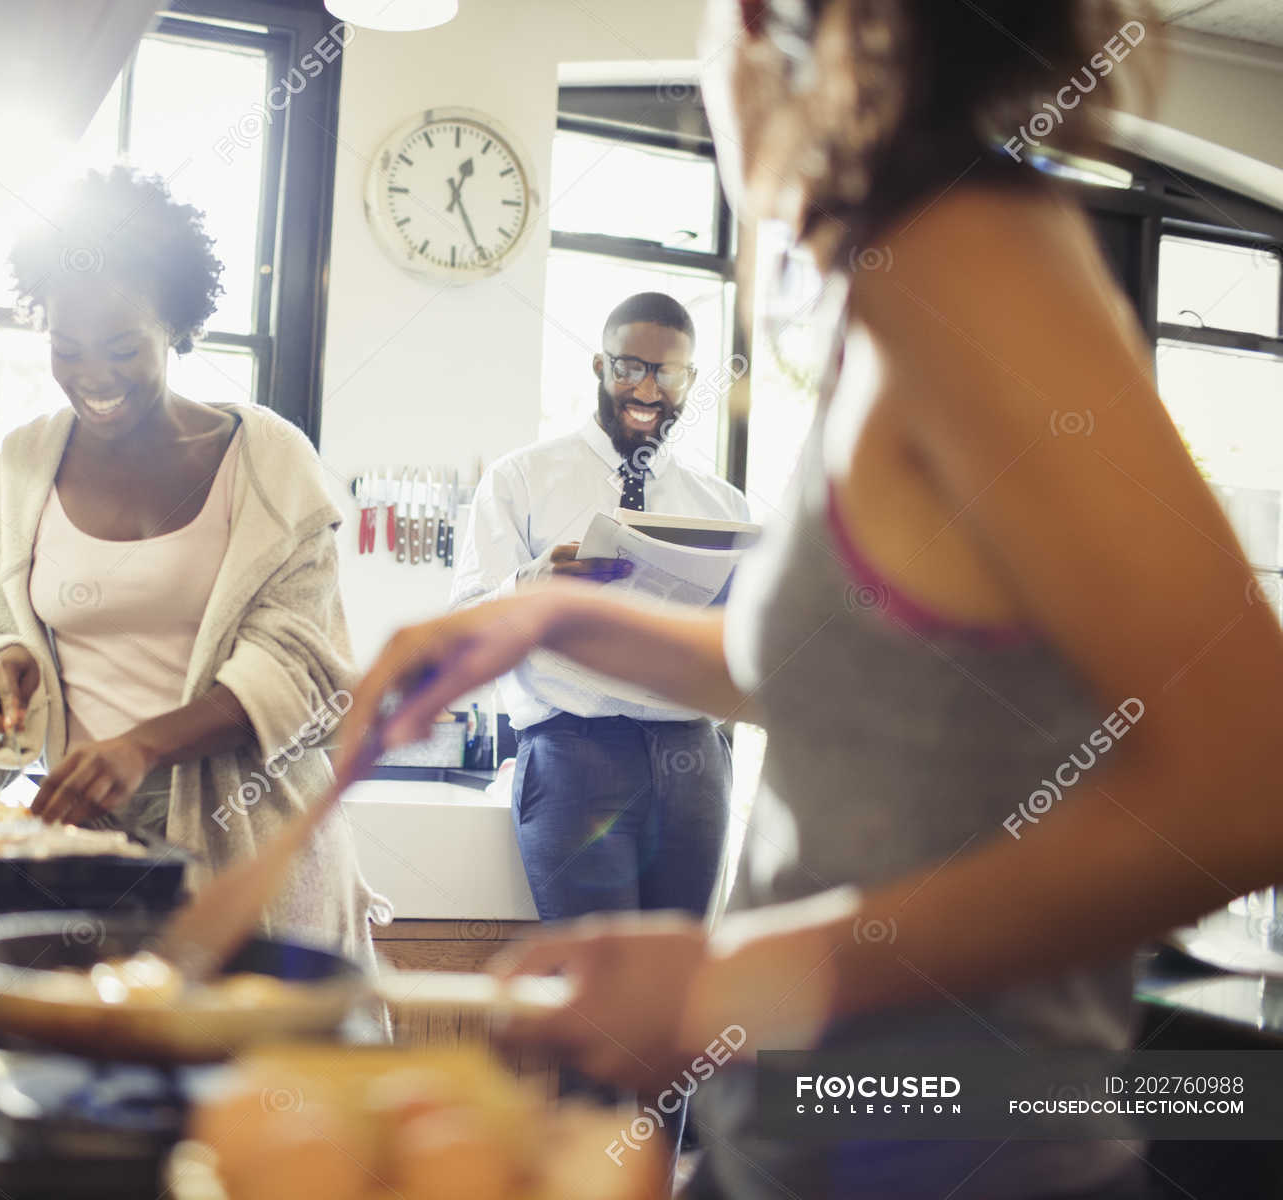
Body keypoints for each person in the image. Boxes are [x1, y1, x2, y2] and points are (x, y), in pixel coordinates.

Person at [333, 2, 1282, 1197]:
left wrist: (742, 974)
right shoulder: (898, 287)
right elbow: (843, 673)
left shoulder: (968, 256)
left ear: (757, 28)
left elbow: (1253, 777)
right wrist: (550, 618)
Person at [0, 164, 387, 970]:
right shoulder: (20, 468)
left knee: (257, 1082)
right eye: (67, 349)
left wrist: (140, 746)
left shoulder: (266, 462)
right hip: (83, 858)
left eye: (123, 346)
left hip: (255, 845)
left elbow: (303, 665)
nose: (92, 375)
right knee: (91, 1077)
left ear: (176, 324)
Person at [452, 291, 747, 927]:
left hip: (694, 759)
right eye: (629, 367)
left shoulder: (722, 505)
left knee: (676, 987)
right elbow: (463, 629)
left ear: (690, 379)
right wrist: (533, 584)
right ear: (598, 366)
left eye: (666, 372)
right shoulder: (520, 479)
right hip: (574, 756)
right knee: (593, 996)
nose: (647, 387)